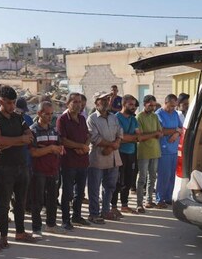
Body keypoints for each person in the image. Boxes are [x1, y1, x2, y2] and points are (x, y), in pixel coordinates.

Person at [0, 85, 36, 248]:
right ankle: (3, 237)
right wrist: (19, 140)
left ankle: (20, 232)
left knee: (20, 202)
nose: (12, 106)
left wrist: (11, 141)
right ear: (0, 101)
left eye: (13, 103)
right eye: (9, 103)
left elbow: (29, 135)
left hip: (21, 165)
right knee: (3, 204)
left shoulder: (18, 117)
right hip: (4, 168)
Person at [29, 101, 65, 236]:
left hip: (53, 169)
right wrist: (50, 148)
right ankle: (36, 228)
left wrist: (46, 149)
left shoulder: (54, 129)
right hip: (38, 171)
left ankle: (51, 224)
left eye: (51, 114)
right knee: (37, 201)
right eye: (47, 114)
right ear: (39, 113)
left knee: (52, 200)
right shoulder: (32, 130)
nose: (50, 117)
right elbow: (33, 152)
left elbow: (60, 148)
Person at [87, 91, 123, 224]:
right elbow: (94, 138)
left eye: (107, 99)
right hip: (98, 157)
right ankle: (94, 214)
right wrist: (111, 145)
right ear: (96, 103)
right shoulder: (92, 119)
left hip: (113, 157)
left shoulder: (113, 117)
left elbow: (120, 132)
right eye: (103, 100)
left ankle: (105, 210)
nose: (106, 102)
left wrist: (115, 144)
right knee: (94, 187)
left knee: (110, 186)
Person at [57, 93, 91, 230]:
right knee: (67, 193)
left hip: (83, 160)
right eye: (75, 102)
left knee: (80, 192)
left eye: (80, 102)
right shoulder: (62, 120)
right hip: (69, 162)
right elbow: (63, 140)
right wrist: (79, 146)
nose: (78, 104)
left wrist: (85, 146)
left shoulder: (82, 119)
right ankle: (66, 220)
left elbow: (88, 135)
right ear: (68, 104)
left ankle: (77, 216)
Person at [111, 95, 140, 216]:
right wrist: (130, 138)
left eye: (134, 105)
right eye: (131, 105)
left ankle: (124, 205)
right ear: (123, 105)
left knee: (128, 180)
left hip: (131, 152)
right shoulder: (116, 118)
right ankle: (113, 206)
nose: (133, 107)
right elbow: (120, 138)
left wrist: (129, 138)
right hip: (119, 153)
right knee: (117, 181)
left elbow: (139, 136)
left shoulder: (134, 119)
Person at [136, 95, 163, 213]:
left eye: (154, 105)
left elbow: (160, 132)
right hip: (143, 151)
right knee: (142, 178)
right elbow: (140, 136)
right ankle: (139, 203)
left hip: (155, 151)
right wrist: (154, 134)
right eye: (150, 105)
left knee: (152, 177)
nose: (152, 107)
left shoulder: (155, 116)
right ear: (144, 104)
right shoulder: (139, 117)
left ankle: (149, 200)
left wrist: (153, 134)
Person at [155, 94, 182, 208]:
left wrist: (176, 133)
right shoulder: (158, 114)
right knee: (163, 175)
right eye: (171, 106)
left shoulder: (175, 114)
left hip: (174, 150)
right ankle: (160, 199)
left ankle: (169, 197)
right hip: (164, 149)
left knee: (172, 175)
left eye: (174, 106)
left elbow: (180, 128)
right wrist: (175, 131)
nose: (172, 109)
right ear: (165, 103)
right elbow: (161, 131)